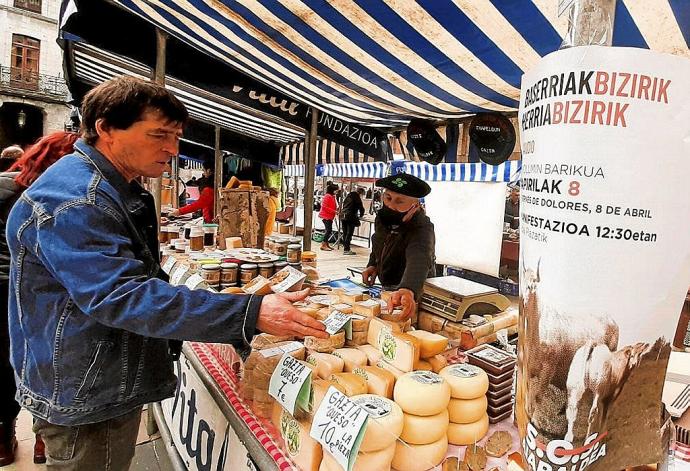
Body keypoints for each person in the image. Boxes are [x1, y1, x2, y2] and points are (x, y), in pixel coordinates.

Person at [5, 76, 326, 470]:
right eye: (159, 135)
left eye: (176, 136)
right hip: (88, 384)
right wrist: (249, 312)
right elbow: (123, 296)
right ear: (105, 128)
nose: (172, 149)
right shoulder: (77, 199)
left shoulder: (114, 185)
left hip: (94, 373)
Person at [0, 132, 79, 467]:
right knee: (40, 358)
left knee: (9, 363)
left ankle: (4, 439)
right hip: (31, 285)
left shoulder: (7, 185)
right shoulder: (54, 194)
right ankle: (42, 440)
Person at [362, 173, 436, 320]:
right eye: (388, 198)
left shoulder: (422, 228)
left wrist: (408, 288)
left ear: (415, 206)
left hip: (413, 290)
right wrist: (373, 265)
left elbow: (420, 257)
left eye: (399, 201)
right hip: (387, 287)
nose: (391, 205)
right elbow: (379, 242)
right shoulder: (383, 218)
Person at [340, 187, 365, 255]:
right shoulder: (356, 197)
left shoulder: (348, 196)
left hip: (343, 215)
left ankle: (345, 247)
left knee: (345, 232)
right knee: (349, 233)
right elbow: (361, 208)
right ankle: (347, 249)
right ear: (361, 193)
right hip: (350, 216)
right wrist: (361, 215)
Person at [318, 183, 338, 251]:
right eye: (336, 190)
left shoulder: (332, 196)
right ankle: (323, 244)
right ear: (332, 190)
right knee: (328, 230)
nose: (337, 191)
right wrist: (334, 211)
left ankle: (326, 244)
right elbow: (324, 207)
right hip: (326, 216)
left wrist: (336, 210)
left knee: (329, 230)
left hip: (330, 216)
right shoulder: (327, 196)